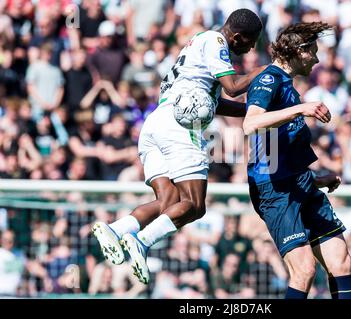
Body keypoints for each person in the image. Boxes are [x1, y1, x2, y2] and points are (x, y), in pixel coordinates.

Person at [93, 8, 265, 284]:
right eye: (251, 40)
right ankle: (142, 241)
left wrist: (249, 111)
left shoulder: (198, 43)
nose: (253, 46)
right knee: (195, 205)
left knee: (168, 202)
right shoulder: (216, 42)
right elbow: (232, 87)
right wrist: (267, 70)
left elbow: (216, 102)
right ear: (236, 36)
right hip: (180, 126)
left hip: (156, 122)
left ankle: (116, 229)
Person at [242, 22, 351, 299]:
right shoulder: (268, 80)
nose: (317, 59)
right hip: (277, 191)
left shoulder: (288, 86)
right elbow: (250, 124)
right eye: (313, 52)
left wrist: (316, 179)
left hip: (302, 183)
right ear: (297, 51)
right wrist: (302, 109)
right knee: (304, 270)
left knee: (341, 261)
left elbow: (277, 147)